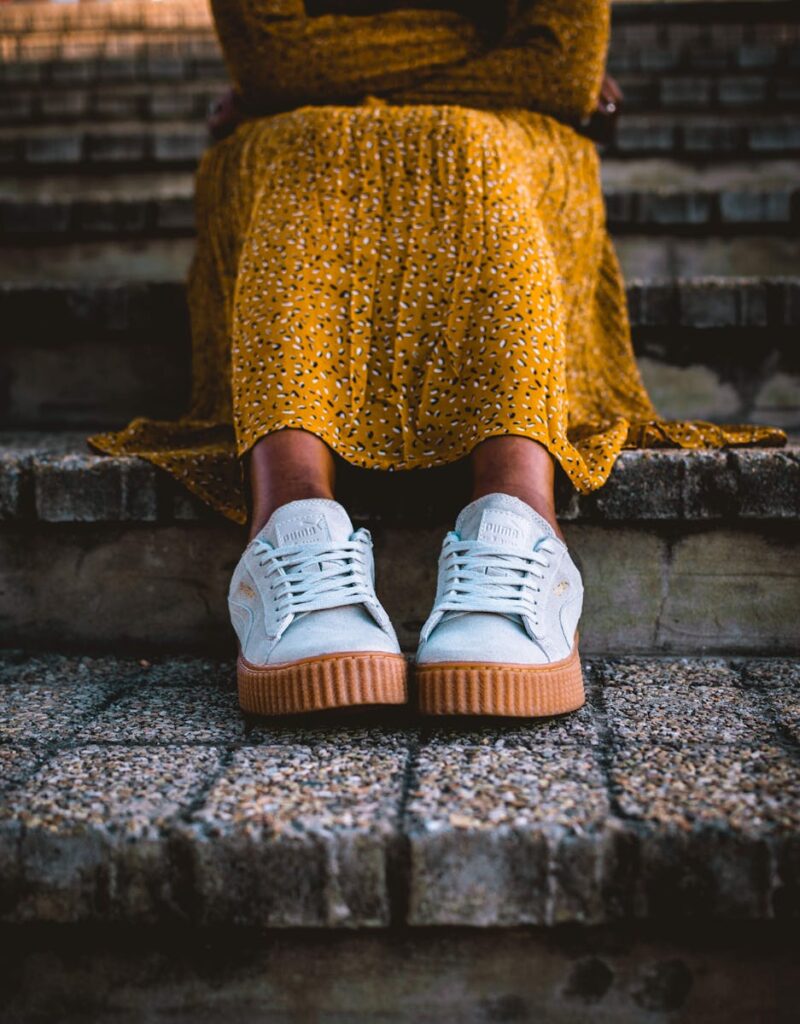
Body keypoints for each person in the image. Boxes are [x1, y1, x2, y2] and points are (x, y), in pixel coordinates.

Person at [88, 0, 786, 718]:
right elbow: (271, 60)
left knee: (465, 140)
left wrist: (319, 77)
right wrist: (478, 66)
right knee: (314, 141)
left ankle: (519, 514)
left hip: (501, 141)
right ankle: (291, 518)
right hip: (298, 140)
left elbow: (560, 64)